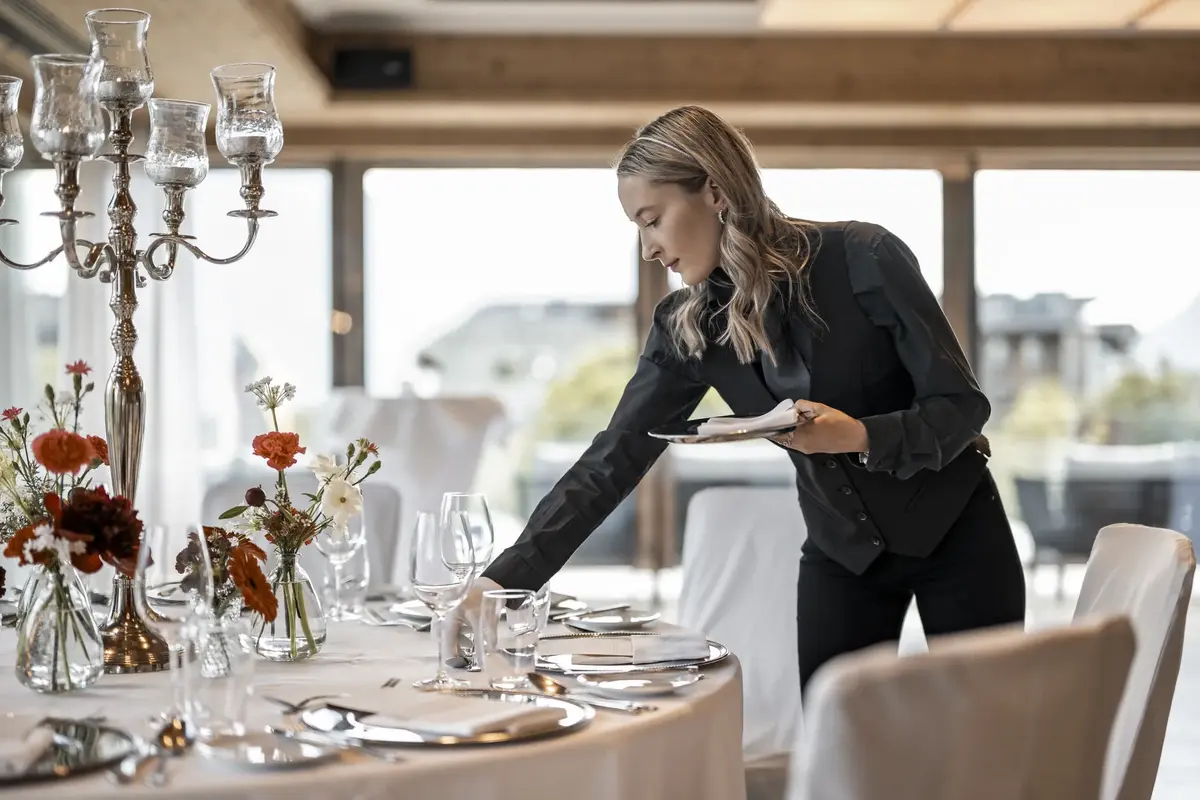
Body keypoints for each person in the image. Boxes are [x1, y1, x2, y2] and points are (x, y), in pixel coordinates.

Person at [459, 105, 1026, 692]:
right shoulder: (685, 327)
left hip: (959, 535)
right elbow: (614, 458)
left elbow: (961, 406)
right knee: (839, 756)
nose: (649, 248)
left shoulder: (865, 257)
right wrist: (501, 583)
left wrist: (859, 435)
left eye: (652, 219)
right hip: (842, 554)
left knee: (989, 743)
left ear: (714, 189)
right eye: (638, 229)